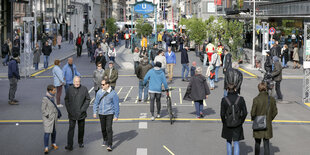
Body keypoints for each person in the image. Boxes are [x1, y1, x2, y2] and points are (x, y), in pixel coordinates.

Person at [93, 79, 119, 151]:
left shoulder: (113, 93)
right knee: (103, 128)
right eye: (101, 84)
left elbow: (116, 105)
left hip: (109, 113)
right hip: (101, 113)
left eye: (103, 84)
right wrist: (95, 112)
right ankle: (105, 139)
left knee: (109, 128)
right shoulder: (99, 92)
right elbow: (96, 102)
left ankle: (110, 144)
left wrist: (116, 115)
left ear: (108, 85)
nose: (102, 86)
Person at [220, 84, 247, 155]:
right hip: (237, 123)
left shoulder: (224, 100)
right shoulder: (240, 99)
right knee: (236, 142)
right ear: (235, 89)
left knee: (228, 141)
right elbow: (245, 112)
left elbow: (222, 114)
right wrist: (241, 121)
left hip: (227, 123)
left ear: (227, 90)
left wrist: (224, 122)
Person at [251, 82, 278, 155]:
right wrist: (270, 118)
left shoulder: (256, 99)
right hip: (267, 124)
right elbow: (275, 111)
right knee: (266, 144)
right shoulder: (271, 99)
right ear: (266, 88)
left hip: (258, 123)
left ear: (259, 89)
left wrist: (254, 119)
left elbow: (253, 113)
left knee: (257, 143)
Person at [64, 76, 90, 151]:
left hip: (81, 114)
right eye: (76, 82)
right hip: (72, 114)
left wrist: (83, 109)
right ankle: (69, 145)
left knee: (81, 129)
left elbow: (88, 99)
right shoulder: (69, 89)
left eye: (78, 81)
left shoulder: (84, 89)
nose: (77, 83)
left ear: (80, 82)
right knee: (71, 130)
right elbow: (66, 100)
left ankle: (80, 142)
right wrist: (69, 110)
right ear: (73, 82)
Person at [42, 85, 62, 154]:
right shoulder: (45, 99)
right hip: (48, 119)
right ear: (50, 91)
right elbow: (43, 109)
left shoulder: (54, 97)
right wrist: (48, 116)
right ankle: (46, 147)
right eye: (54, 90)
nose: (55, 91)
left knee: (54, 131)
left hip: (54, 117)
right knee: (47, 133)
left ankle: (53, 143)